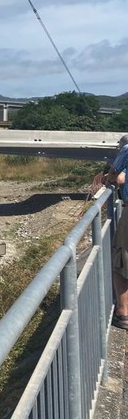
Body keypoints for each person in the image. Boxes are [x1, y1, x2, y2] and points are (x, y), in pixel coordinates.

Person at [107, 133, 128, 329]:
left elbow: (116, 177)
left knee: (121, 260)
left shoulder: (127, 150)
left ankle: (123, 313)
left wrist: (112, 177)